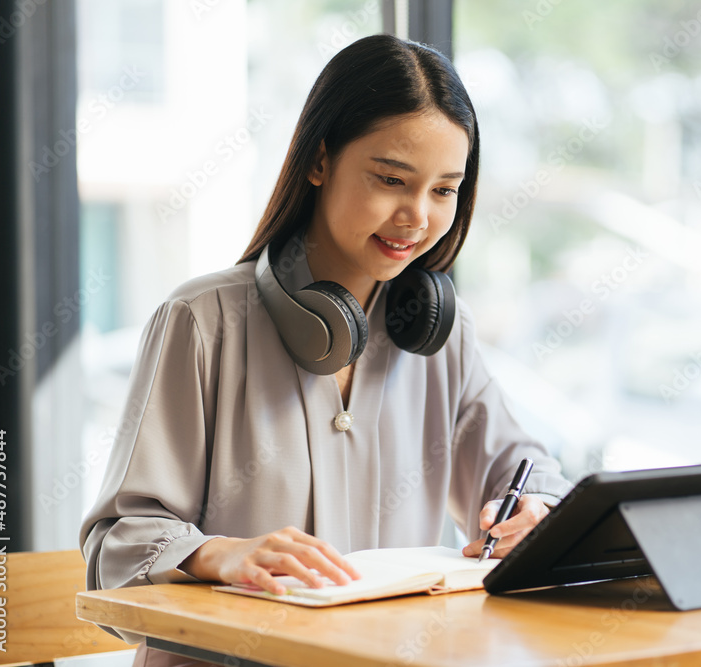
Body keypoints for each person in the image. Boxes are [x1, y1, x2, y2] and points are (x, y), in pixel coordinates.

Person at [79, 34, 572, 667]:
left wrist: (538, 512)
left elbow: (526, 475)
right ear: (319, 161)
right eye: (392, 179)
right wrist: (219, 554)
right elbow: (116, 548)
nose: (417, 217)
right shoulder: (203, 323)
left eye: (444, 190)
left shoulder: (440, 337)